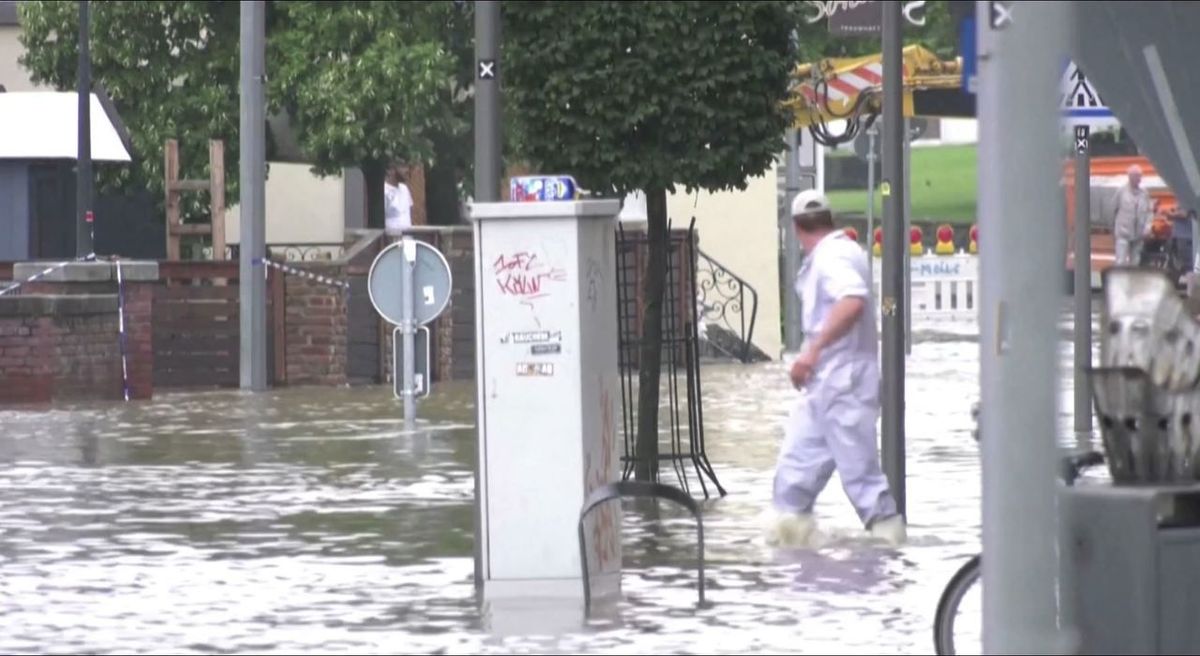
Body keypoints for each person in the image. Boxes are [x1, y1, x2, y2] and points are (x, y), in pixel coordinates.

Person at [765, 189, 906, 548]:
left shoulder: (831, 259)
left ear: (795, 228)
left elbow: (852, 301)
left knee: (862, 478)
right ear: (831, 219)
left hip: (843, 382)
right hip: (826, 384)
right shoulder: (844, 252)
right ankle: (791, 549)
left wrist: (812, 351)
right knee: (793, 473)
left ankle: (889, 548)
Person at [1112, 164, 1154, 266]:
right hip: (1123, 233)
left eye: (1140, 176)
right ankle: (1120, 281)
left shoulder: (1144, 193)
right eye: (1137, 176)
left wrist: (1147, 227)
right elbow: (1113, 209)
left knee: (1135, 262)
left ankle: (1132, 281)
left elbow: (1149, 211)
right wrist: (1114, 228)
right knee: (1121, 262)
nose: (1139, 179)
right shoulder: (1121, 192)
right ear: (1130, 177)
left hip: (1138, 235)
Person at [384, 164, 414, 234]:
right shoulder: (384, 190)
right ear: (390, 170)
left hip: (408, 239)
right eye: (403, 166)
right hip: (392, 241)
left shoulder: (404, 188)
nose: (407, 170)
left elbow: (409, 211)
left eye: (407, 167)